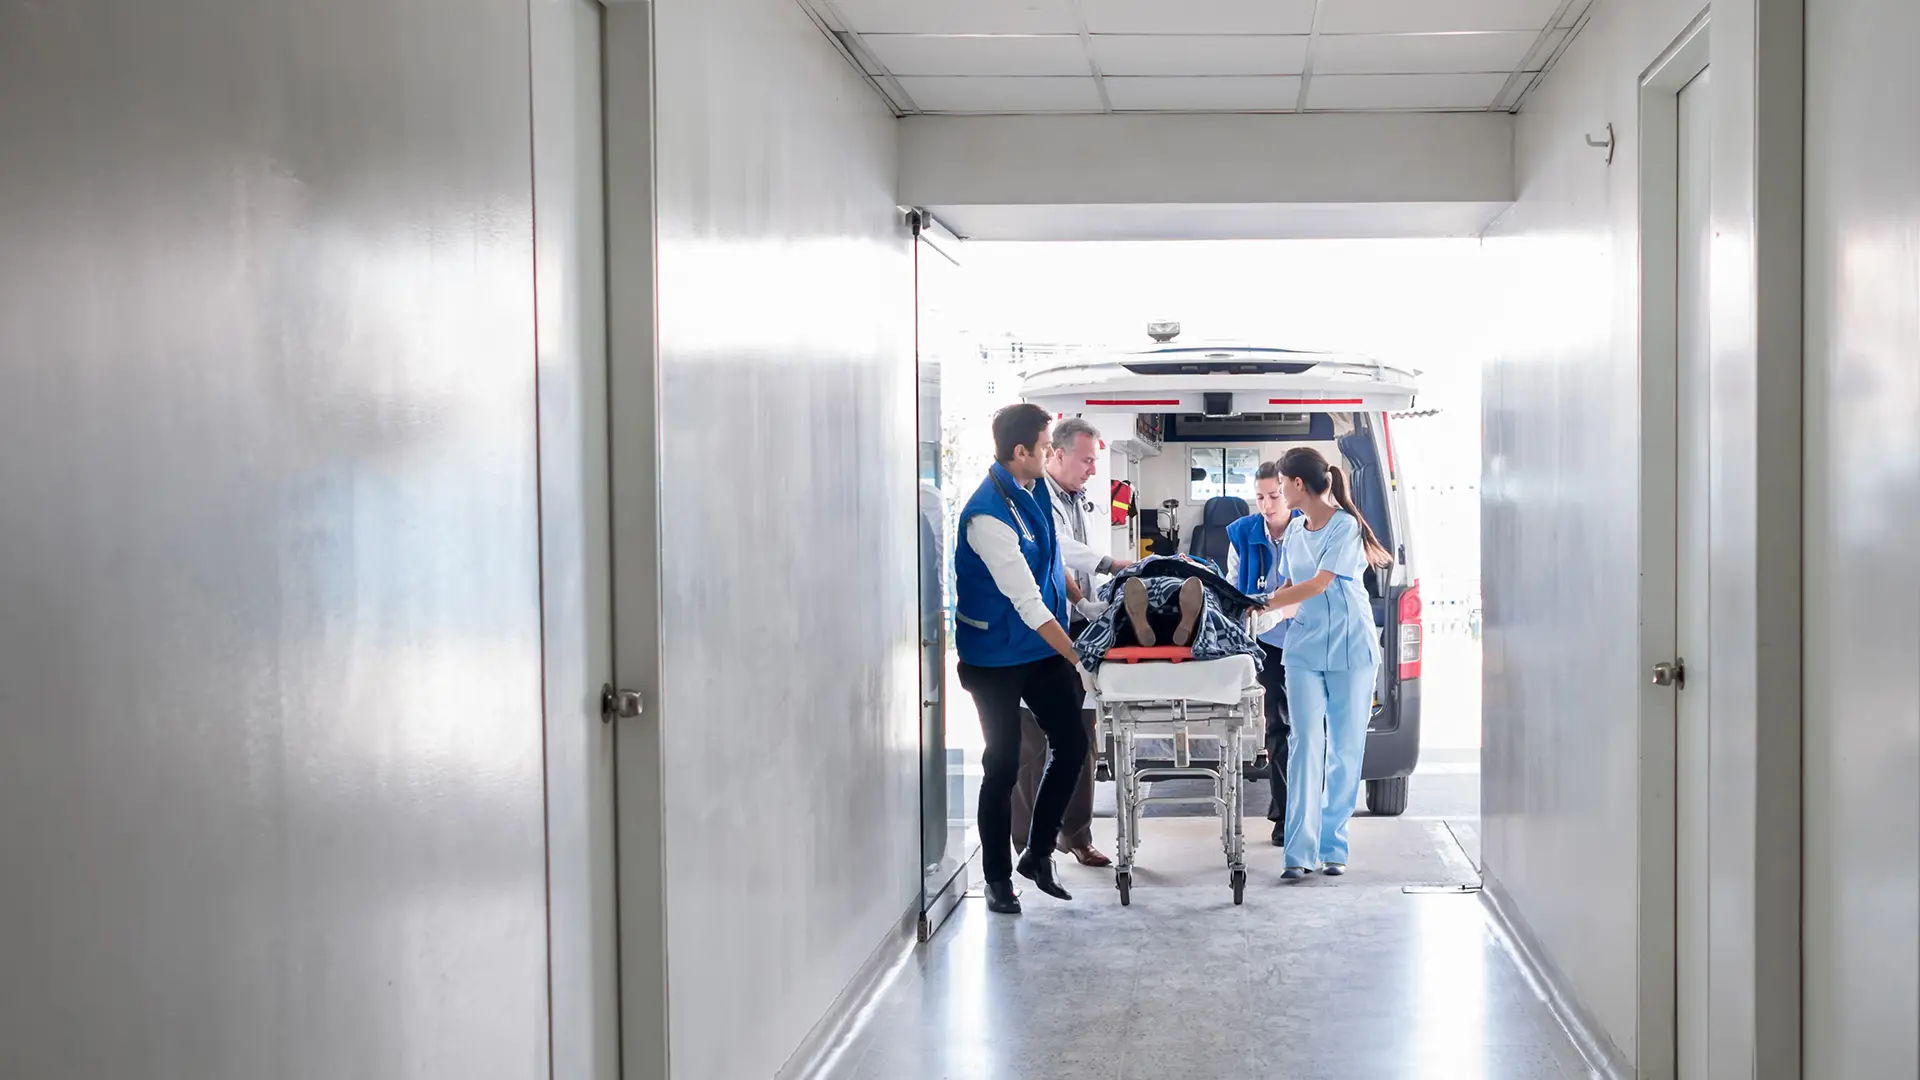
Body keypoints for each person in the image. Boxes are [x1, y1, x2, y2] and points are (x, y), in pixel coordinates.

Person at [954, 403, 1091, 915]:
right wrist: (1080, 659)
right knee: (1003, 764)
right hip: (994, 658)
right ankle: (996, 878)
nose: (1050, 452)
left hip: (1033, 649)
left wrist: (1084, 605)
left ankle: (1037, 851)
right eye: (1044, 445)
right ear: (1020, 452)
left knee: (1072, 742)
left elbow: (1051, 563)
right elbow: (1027, 600)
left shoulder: (1031, 494)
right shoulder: (987, 514)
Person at [1258, 447, 1393, 881]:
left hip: (1352, 649)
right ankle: (1298, 851)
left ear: (1298, 485)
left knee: (1344, 750)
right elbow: (1292, 587)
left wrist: (1264, 601)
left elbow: (1317, 584)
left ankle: (1334, 845)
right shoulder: (1295, 532)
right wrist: (1263, 613)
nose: (1278, 492)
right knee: (1304, 745)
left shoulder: (1346, 527)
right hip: (1303, 651)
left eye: (1281, 485)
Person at [1012, 418, 1132, 868]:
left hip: (1079, 630)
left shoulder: (1080, 500)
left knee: (1082, 735)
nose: (1092, 470)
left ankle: (1076, 835)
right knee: (1031, 740)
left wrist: (1091, 607)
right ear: (1055, 455)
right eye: (1086, 460)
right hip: (1039, 631)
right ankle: (1027, 843)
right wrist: (1107, 564)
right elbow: (1054, 550)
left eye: (1095, 461)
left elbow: (1070, 564)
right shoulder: (1032, 498)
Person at [1225, 461, 1297, 846]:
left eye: (1274, 496)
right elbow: (1235, 590)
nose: (1267, 505)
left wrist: (1278, 610)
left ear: (1288, 492)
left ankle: (1299, 809)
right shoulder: (1241, 534)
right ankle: (1285, 815)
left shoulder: (1309, 527)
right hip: (1267, 644)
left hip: (1304, 640)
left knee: (1305, 728)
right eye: (1259, 497)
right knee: (1278, 728)